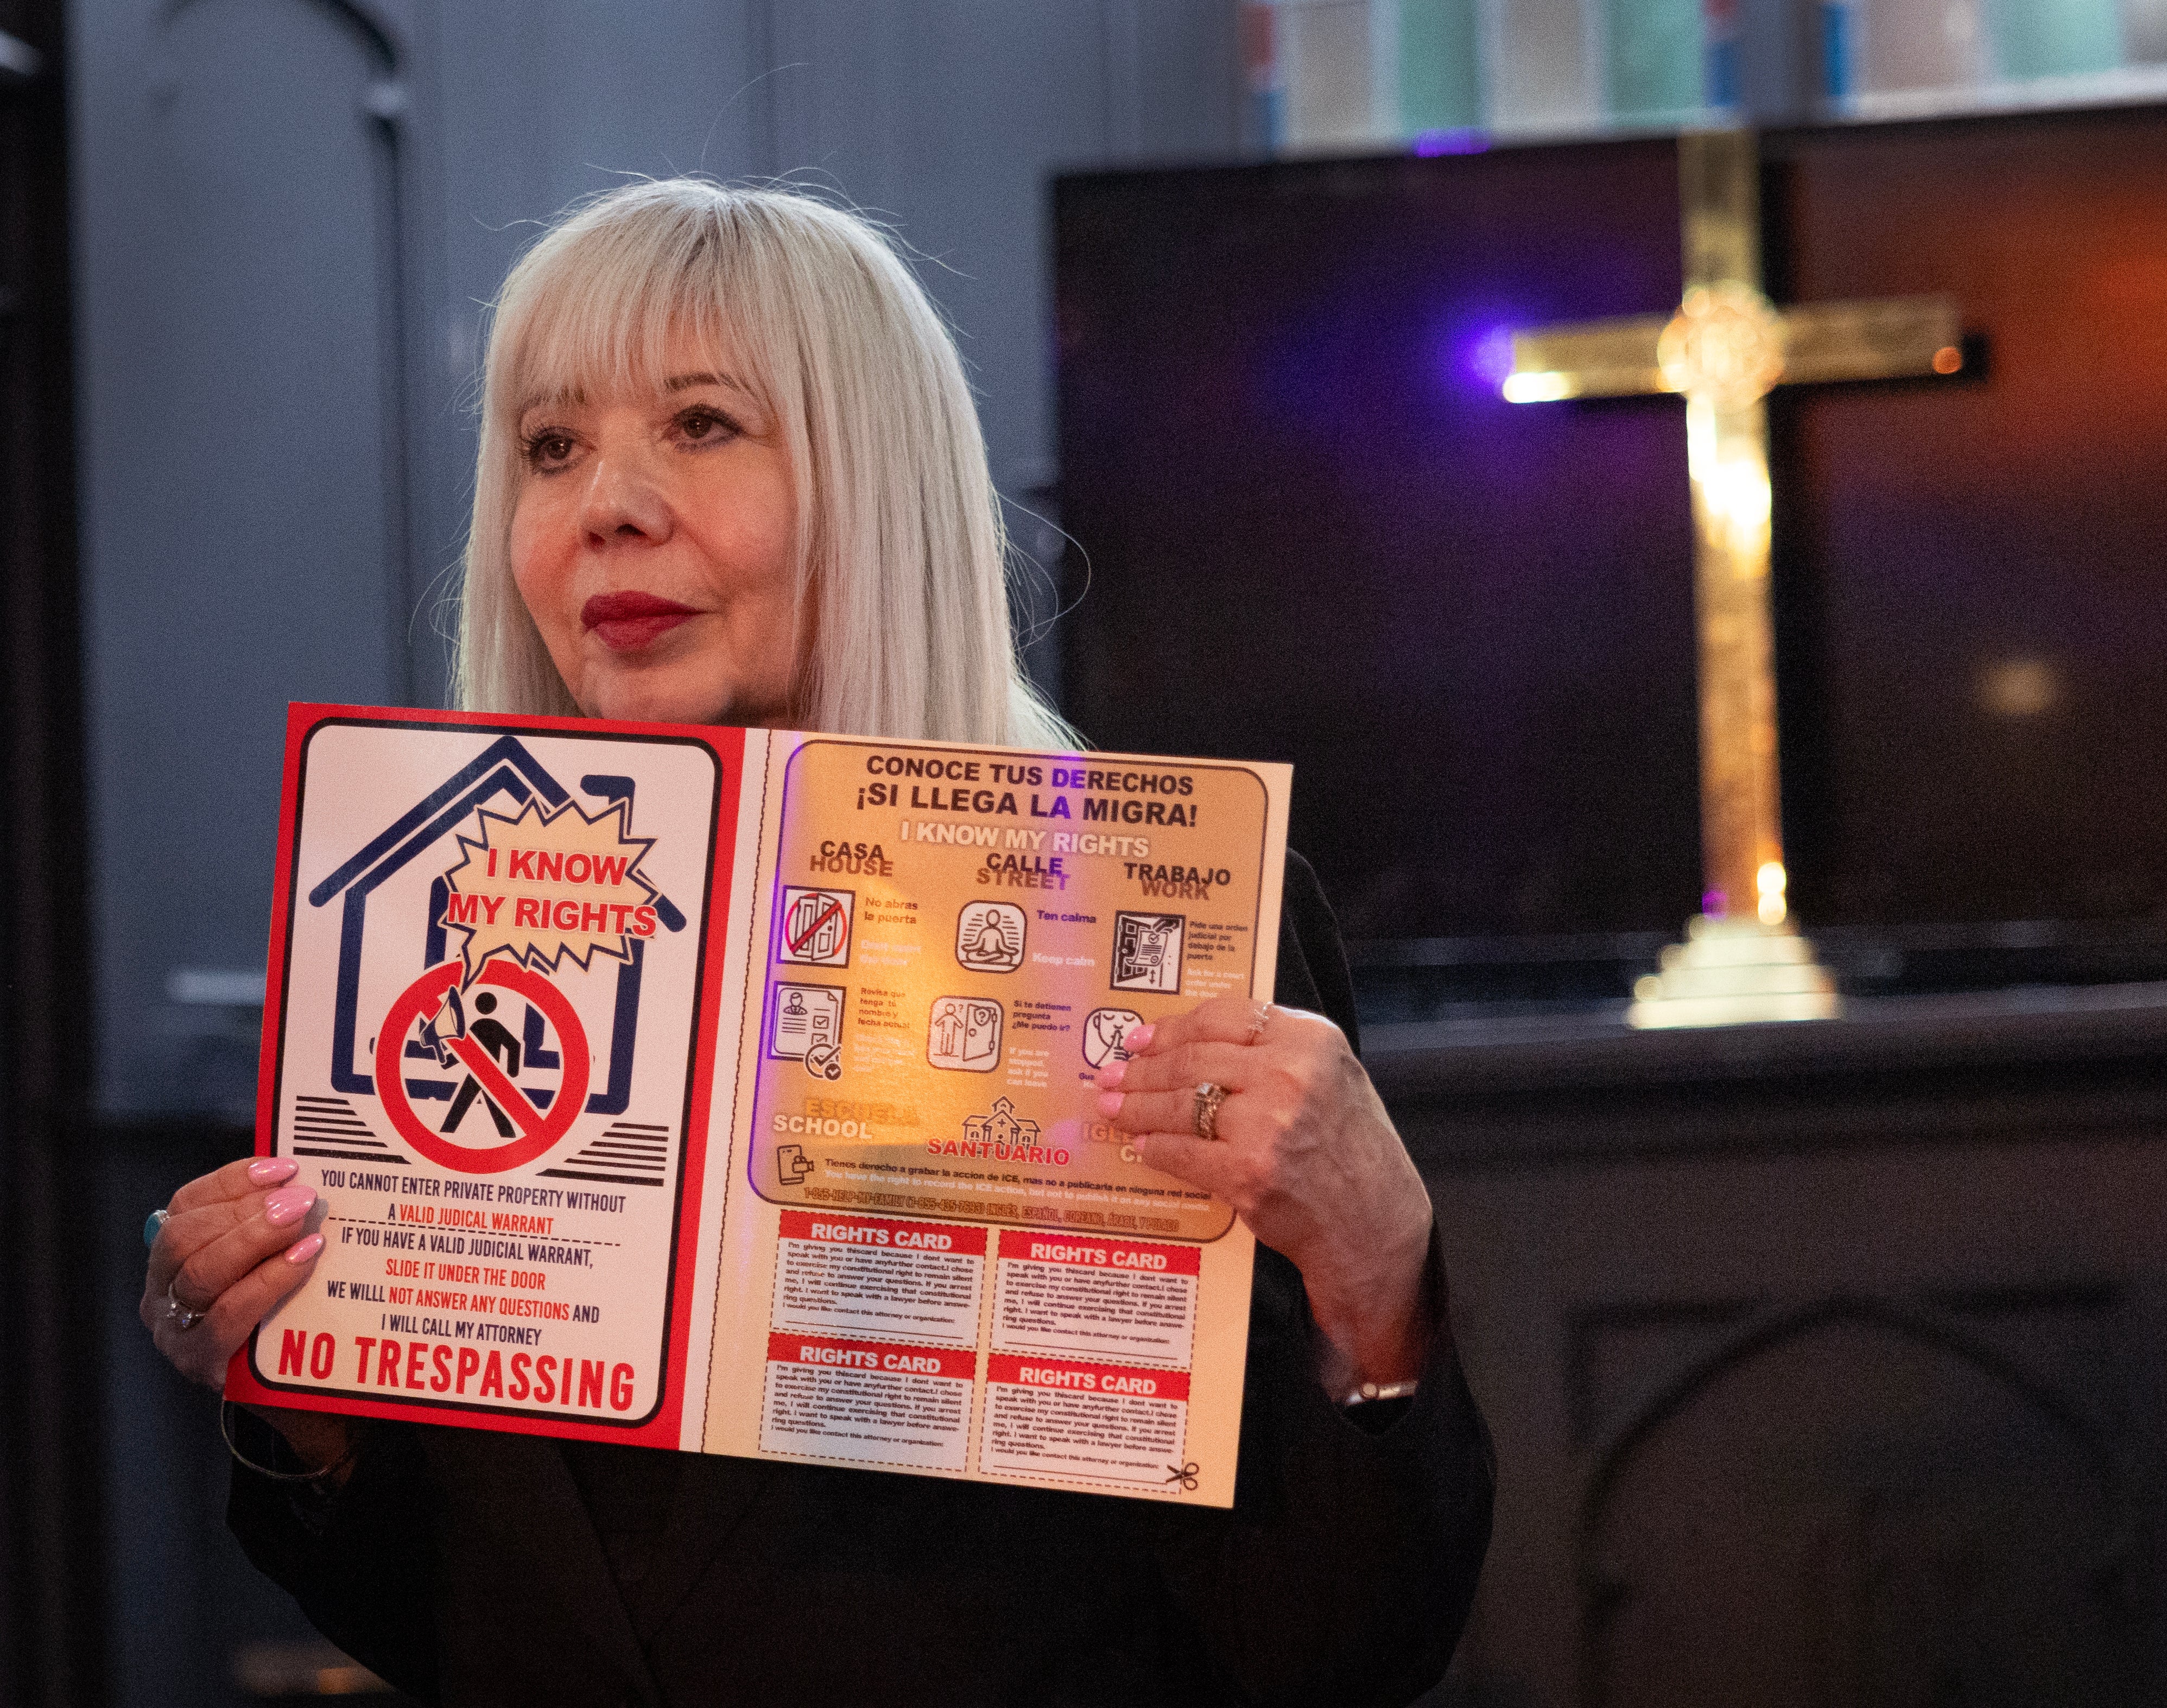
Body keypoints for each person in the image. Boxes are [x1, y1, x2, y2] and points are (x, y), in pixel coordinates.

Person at [138, 179, 1493, 1706]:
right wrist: (291, 1381)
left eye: (703, 424)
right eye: (551, 445)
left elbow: (1332, 1646)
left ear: (876, 483)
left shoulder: (1168, 932)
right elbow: (467, 1617)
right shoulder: (439, 936)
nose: (609, 505)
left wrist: (1382, 1272)